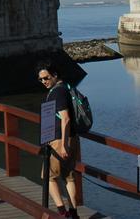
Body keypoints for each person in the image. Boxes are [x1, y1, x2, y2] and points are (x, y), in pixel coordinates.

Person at [37, 62, 80, 219]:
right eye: (40, 79)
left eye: (46, 78)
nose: (44, 82)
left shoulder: (57, 92)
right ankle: (74, 213)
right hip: (72, 137)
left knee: (48, 176)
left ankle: (63, 212)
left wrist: (63, 145)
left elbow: (65, 118)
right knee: (68, 177)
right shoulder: (67, 87)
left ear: (55, 75)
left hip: (59, 140)